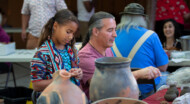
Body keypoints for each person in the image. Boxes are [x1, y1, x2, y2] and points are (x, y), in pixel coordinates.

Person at [78, 11, 161, 99]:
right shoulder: (85, 55)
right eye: (110, 30)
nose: (115, 34)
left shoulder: (108, 49)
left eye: (115, 29)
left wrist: (145, 72)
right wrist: (137, 74)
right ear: (96, 31)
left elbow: (116, 76)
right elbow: (103, 87)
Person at [112, 3, 168, 99]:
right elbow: (163, 67)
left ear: (124, 17)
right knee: (167, 76)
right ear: (142, 18)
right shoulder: (151, 35)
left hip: (119, 89)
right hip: (146, 91)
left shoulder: (112, 36)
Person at [30, 9, 83, 93]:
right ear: (55, 26)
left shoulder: (72, 50)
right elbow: (36, 85)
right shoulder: (42, 54)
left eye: (73, 33)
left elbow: (77, 72)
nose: (71, 37)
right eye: (68, 32)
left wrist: (78, 73)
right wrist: (58, 80)